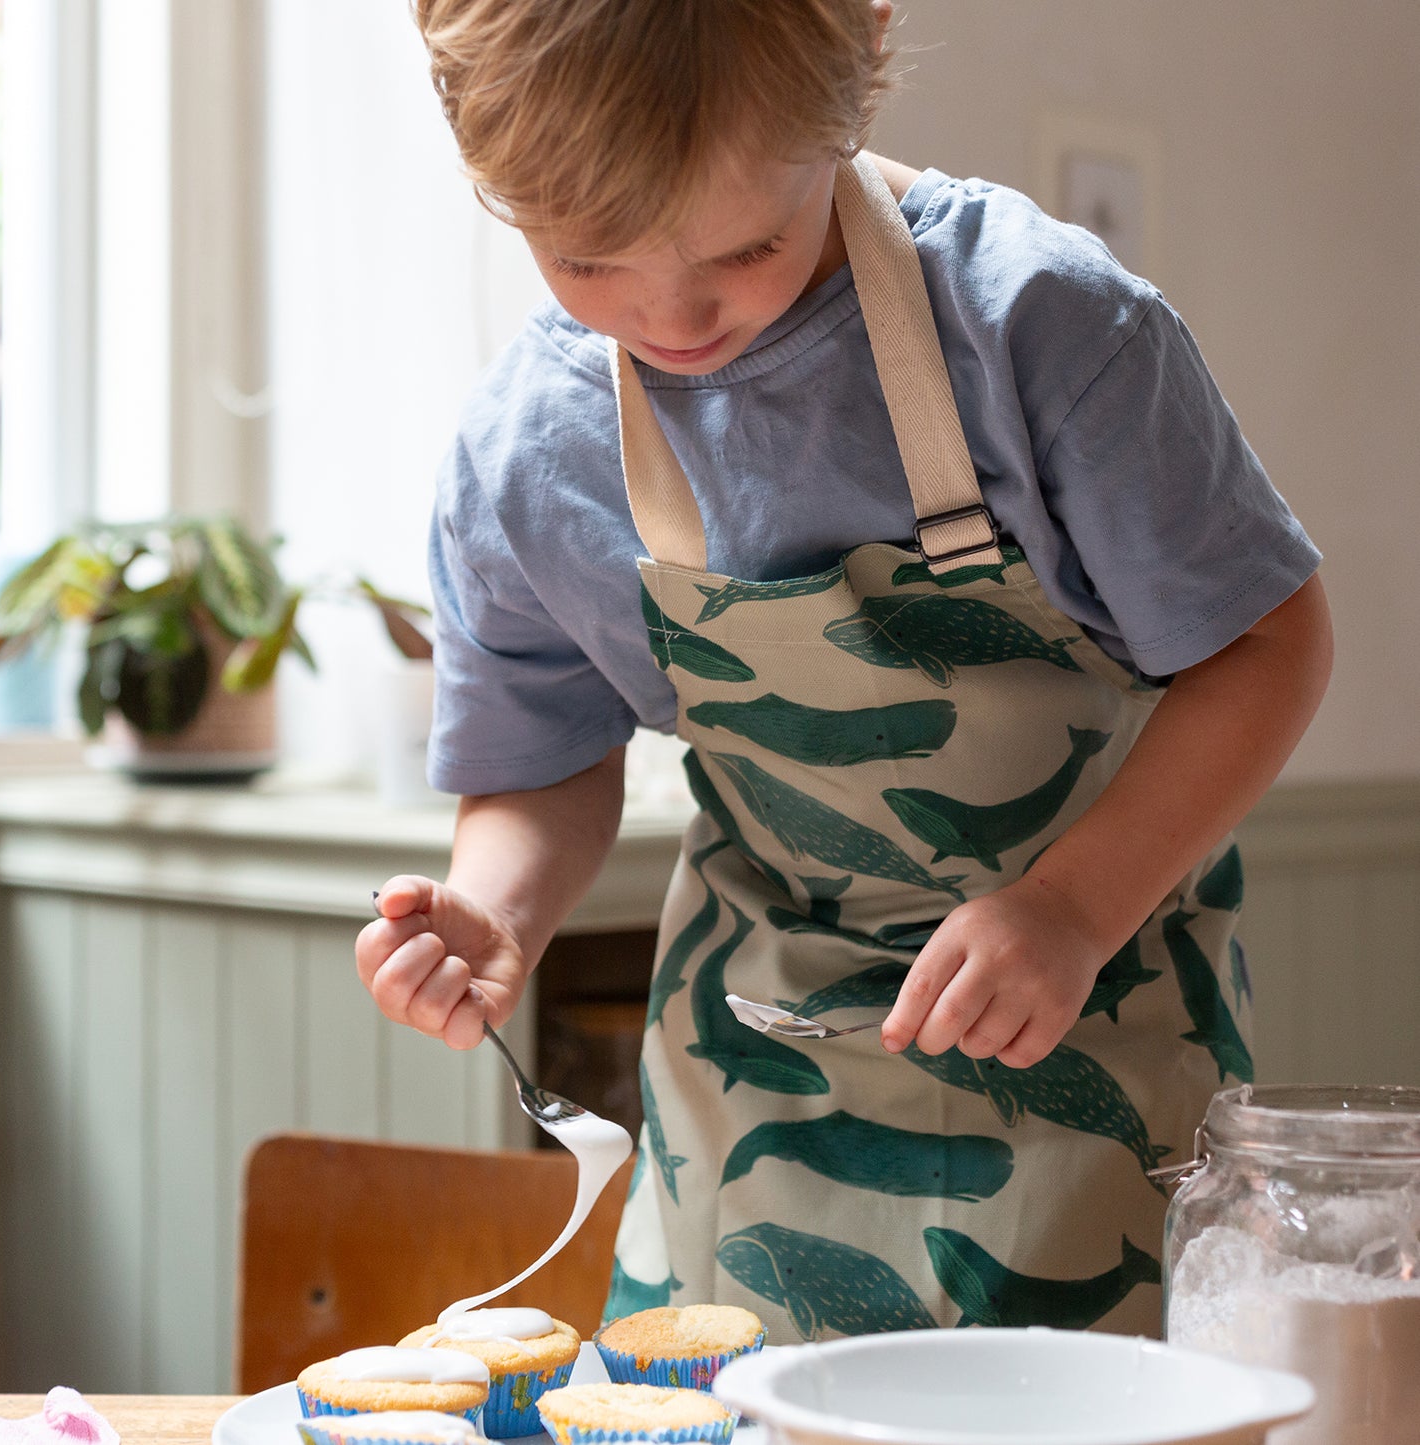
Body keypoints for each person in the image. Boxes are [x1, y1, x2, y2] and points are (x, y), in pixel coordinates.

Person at [357, 0, 1332, 1342]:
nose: (672, 314)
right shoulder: (531, 450)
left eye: (745, 247)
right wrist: (493, 912)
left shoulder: (1041, 328)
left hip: (1090, 1032)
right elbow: (542, 766)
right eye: (586, 261)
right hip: (751, 1078)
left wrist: (1064, 907)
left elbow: (1265, 644)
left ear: (859, 67)